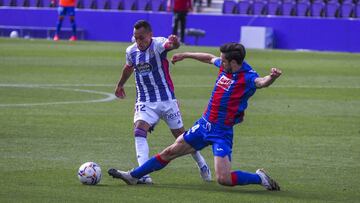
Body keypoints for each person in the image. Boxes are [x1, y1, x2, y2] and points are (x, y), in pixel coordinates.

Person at [108, 42, 282, 190]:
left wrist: (272, 77)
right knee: (169, 152)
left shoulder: (248, 77)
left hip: (221, 132)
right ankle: (133, 176)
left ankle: (260, 178)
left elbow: (262, 82)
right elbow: (208, 58)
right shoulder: (225, 66)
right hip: (204, 125)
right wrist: (185, 54)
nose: (220, 62)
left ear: (234, 62)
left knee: (224, 179)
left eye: (223, 60)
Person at [113, 20, 211, 184]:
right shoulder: (131, 51)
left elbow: (171, 46)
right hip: (145, 101)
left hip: (167, 101)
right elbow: (128, 67)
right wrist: (120, 84)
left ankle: (202, 164)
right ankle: (142, 174)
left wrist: (175, 42)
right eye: (136, 38)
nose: (139, 42)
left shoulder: (158, 44)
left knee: (183, 138)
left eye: (142, 38)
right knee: (139, 130)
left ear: (150, 35)